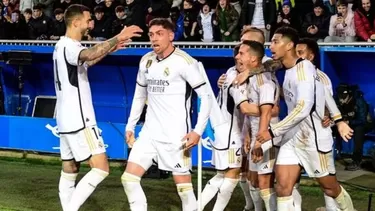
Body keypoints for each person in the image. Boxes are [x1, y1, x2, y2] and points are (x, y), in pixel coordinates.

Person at [53, 4, 143, 211]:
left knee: (70, 168)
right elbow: (88, 55)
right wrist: (118, 38)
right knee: (101, 168)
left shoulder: (61, 46)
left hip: (65, 118)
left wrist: (111, 48)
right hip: (79, 118)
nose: (90, 23)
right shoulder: (71, 46)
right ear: (76, 22)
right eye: (87, 19)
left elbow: (86, 62)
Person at [256, 26, 354, 211]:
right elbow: (266, 63)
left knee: (330, 188)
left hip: (313, 139)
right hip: (293, 138)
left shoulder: (305, 69)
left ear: (289, 45)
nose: (272, 46)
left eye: (276, 42)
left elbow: (303, 108)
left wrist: (272, 131)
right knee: (283, 186)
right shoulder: (289, 68)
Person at [122, 18, 212, 211]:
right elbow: (139, 96)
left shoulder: (185, 62)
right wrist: (130, 126)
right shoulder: (145, 61)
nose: (154, 39)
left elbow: (206, 98)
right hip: (149, 134)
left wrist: (197, 131)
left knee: (184, 190)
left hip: (176, 137)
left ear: (171, 36)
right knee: (129, 179)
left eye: (159, 34)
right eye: (151, 35)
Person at [217, 27, 282, 211]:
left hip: (266, 130)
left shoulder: (267, 67)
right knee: (249, 176)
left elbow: (270, 107)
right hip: (249, 127)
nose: (240, 47)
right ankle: (251, 206)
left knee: (268, 180)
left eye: (246, 42)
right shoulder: (238, 68)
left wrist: (251, 72)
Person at [296, 37, 354, 211]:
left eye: (301, 53)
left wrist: (329, 115)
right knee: (289, 179)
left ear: (311, 56)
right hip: (296, 137)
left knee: (327, 179)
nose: (297, 56)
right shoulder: (292, 73)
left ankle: (333, 209)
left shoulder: (321, 78)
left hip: (319, 135)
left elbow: (328, 101)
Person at [200, 44, 244, 211]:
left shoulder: (230, 72)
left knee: (221, 174)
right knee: (232, 174)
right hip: (232, 133)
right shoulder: (236, 76)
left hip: (222, 130)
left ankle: (197, 207)